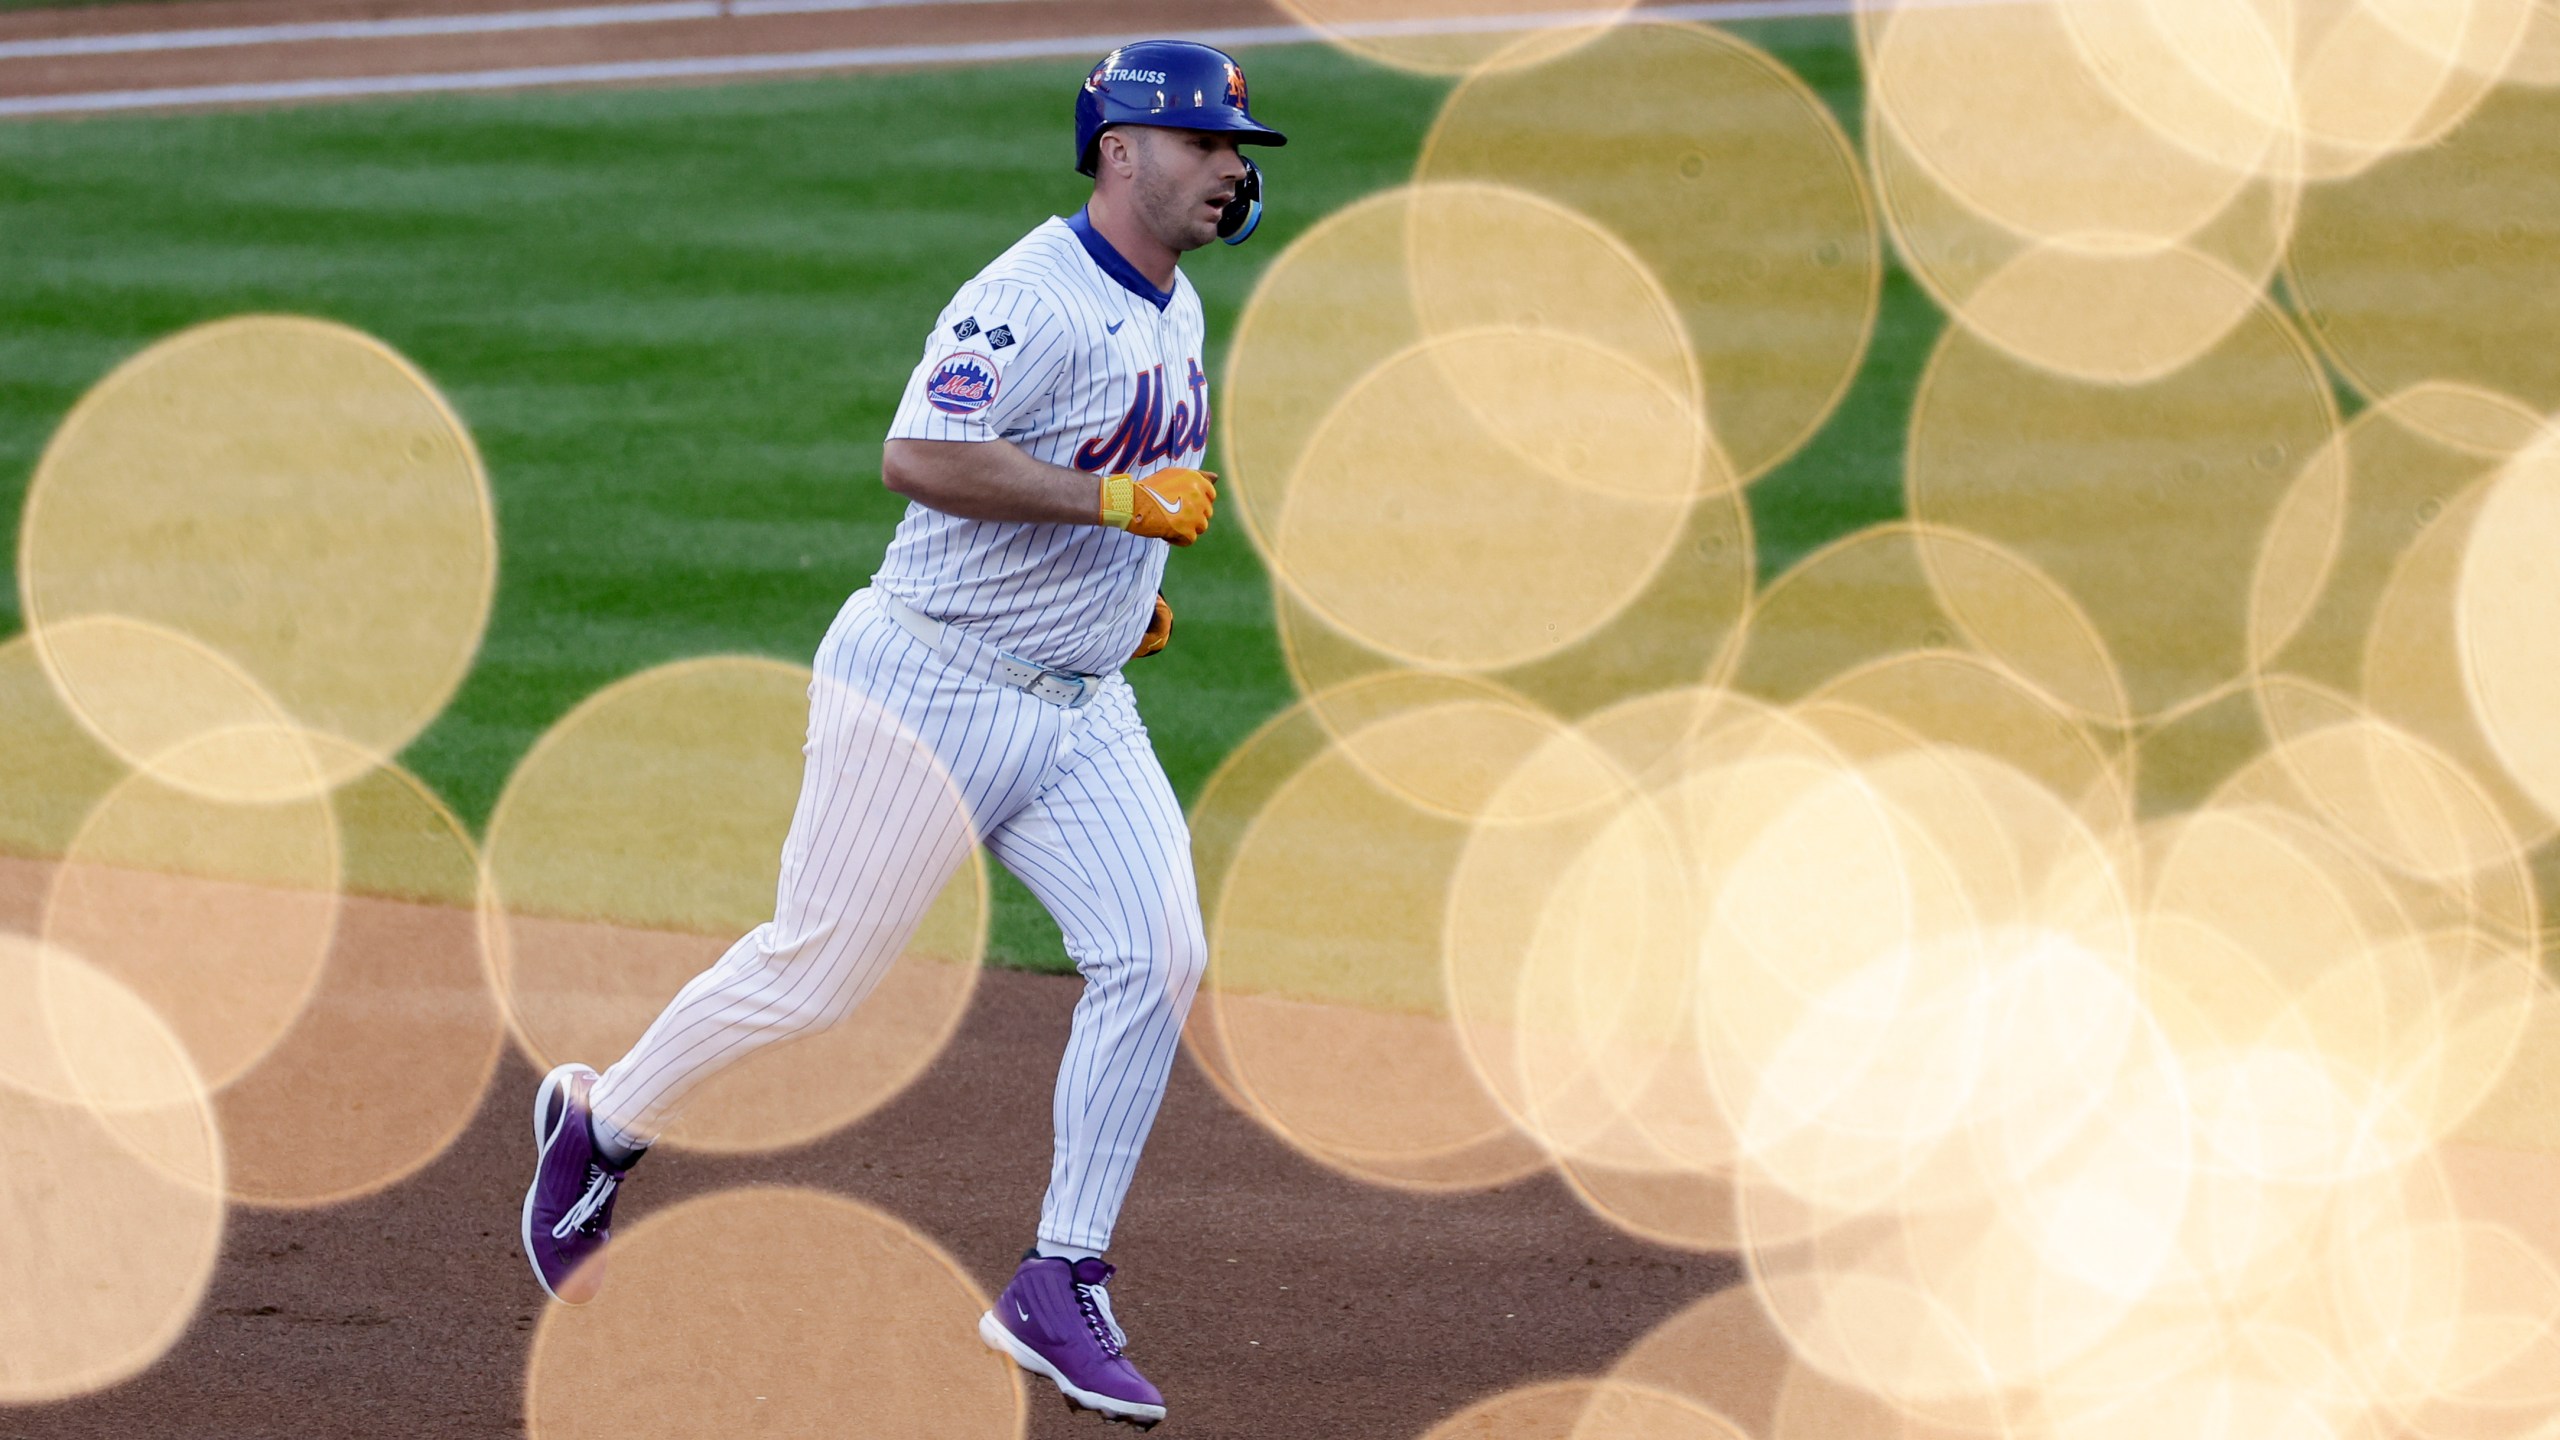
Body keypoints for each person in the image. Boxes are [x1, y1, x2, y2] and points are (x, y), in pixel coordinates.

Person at [517, 39, 1285, 1429]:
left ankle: (1062, 1275)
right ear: (1121, 150)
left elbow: (1115, 473)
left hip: (1077, 707)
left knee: (1160, 950)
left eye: (1241, 150)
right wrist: (1114, 518)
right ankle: (602, 1126)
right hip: (926, 692)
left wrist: (1124, 607)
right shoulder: (1028, 296)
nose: (1235, 169)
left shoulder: (1174, 305)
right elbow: (920, 457)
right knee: (819, 975)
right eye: (1211, 145)